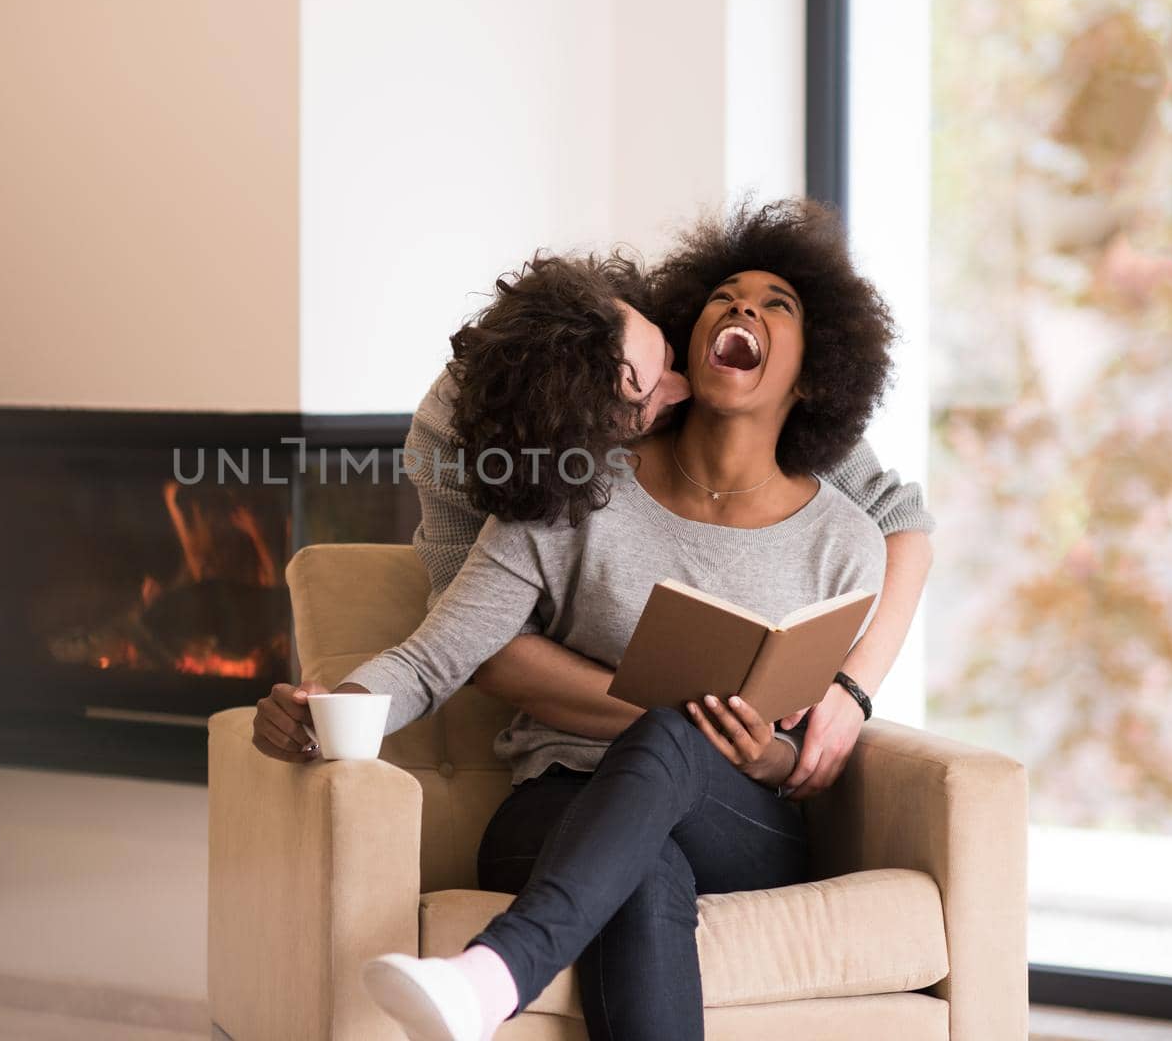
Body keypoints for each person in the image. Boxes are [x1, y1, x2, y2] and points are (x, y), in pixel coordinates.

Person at [260, 199, 903, 1039]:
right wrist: (326, 711)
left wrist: (774, 749)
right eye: (724, 296)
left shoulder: (844, 541)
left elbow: (794, 751)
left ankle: (492, 977)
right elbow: (430, 660)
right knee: (639, 870)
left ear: (815, 375)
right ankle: (487, 982)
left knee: (674, 738)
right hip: (556, 803)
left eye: (776, 303)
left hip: (737, 819)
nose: (742, 307)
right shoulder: (568, 494)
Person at [255, 232, 933, 800]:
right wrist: (325, 714)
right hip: (584, 771)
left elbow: (903, 523)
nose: (682, 390)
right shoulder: (467, 453)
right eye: (643, 402)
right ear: (578, 447)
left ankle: (492, 963)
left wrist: (852, 689)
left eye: (666, 362)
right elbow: (469, 644)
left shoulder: (694, 352)